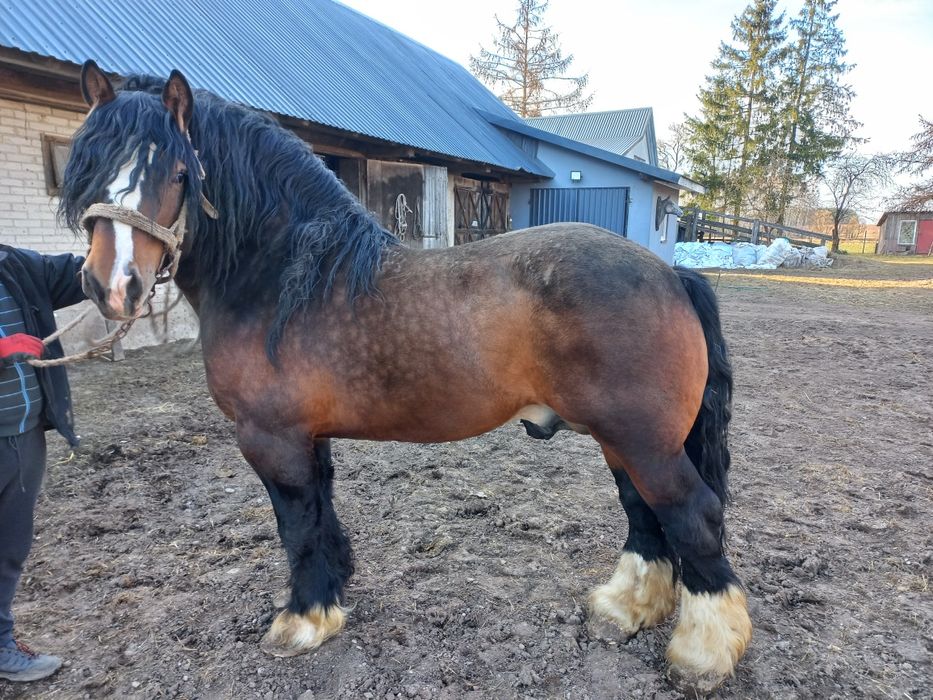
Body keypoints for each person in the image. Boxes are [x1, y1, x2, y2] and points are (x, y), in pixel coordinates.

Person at [0, 244, 85, 682]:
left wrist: (132, 240)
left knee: (9, 549)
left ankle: (1, 644)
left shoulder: (13, 266)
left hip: (22, 437)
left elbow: (80, 272)